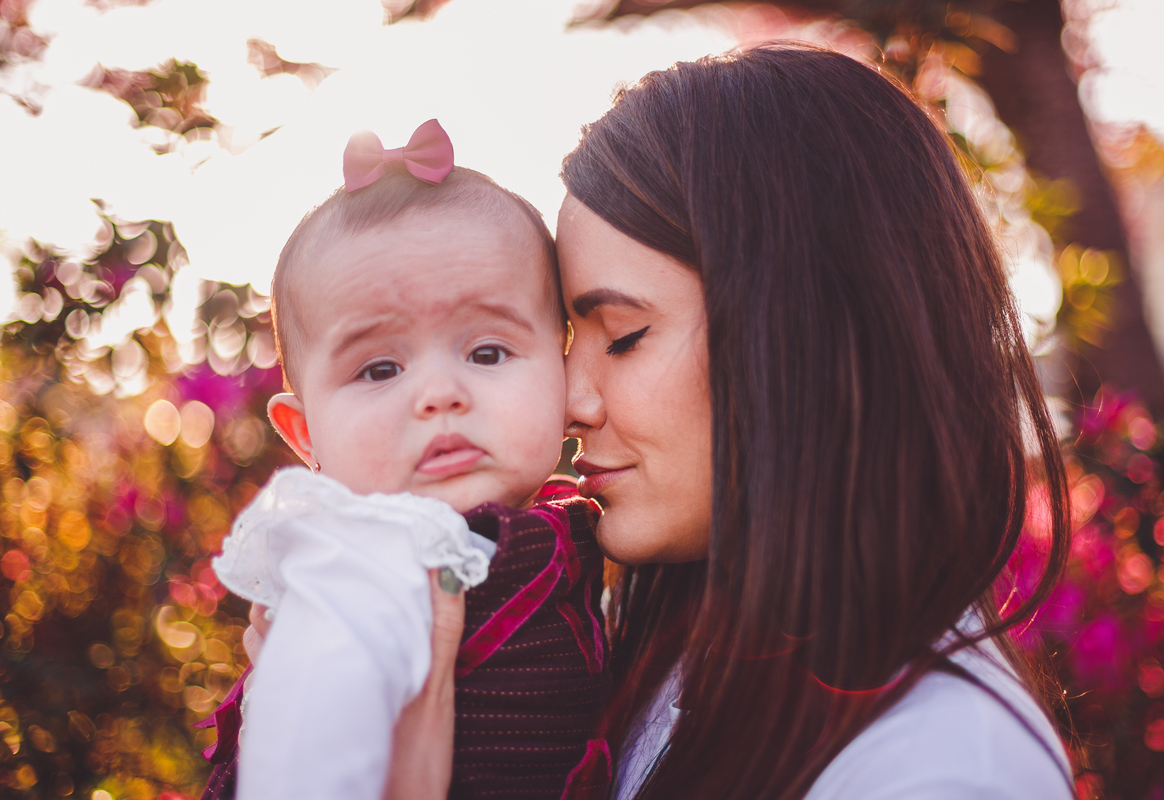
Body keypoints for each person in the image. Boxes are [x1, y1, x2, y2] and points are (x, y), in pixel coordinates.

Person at [253, 45, 1077, 799]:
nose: (573, 399)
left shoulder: (940, 767)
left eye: (625, 336)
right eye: (570, 342)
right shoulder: (652, 650)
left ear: (803, 333)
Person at [202, 120, 611, 800]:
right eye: (380, 368)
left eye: (487, 353)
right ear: (306, 436)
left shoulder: (580, 523)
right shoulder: (360, 562)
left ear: (564, 372)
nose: (440, 395)